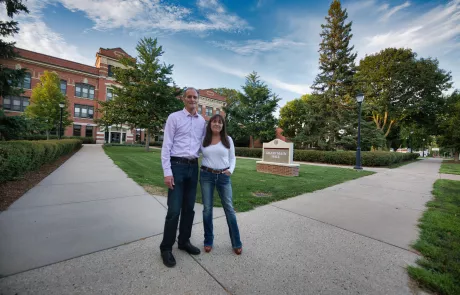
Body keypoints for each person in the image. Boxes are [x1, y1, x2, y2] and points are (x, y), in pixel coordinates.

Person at [160, 87, 206, 267]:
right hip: (176, 166)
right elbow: (166, 145)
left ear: (198, 100)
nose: (192, 99)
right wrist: (167, 172)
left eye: (195, 97)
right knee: (173, 211)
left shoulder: (202, 121)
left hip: (193, 167)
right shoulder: (174, 118)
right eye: (189, 97)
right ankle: (165, 248)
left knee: (189, 208)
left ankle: (184, 241)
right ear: (183, 99)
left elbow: (203, 146)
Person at [200, 114, 242, 255]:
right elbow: (193, 153)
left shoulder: (227, 139)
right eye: (214, 122)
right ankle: (208, 241)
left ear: (223, 125)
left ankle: (236, 243)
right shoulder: (203, 139)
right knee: (207, 209)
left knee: (229, 209)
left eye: (220, 122)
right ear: (210, 124)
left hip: (223, 177)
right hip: (206, 176)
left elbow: (232, 157)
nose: (217, 124)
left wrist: (230, 170)